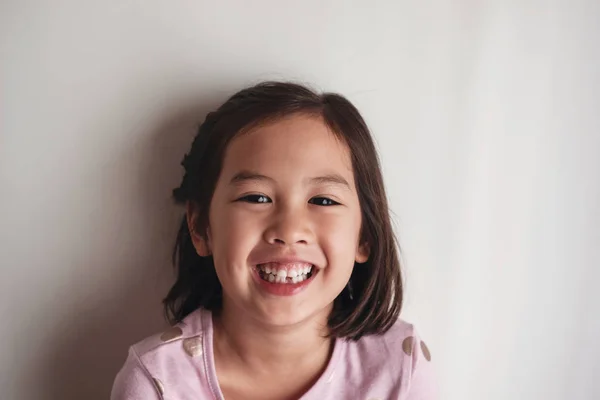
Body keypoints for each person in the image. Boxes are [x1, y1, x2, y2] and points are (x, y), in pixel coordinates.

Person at [111, 81, 436, 399]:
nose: (290, 230)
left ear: (364, 236)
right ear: (201, 227)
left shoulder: (400, 368)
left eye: (323, 201)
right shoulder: (156, 382)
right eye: (255, 197)